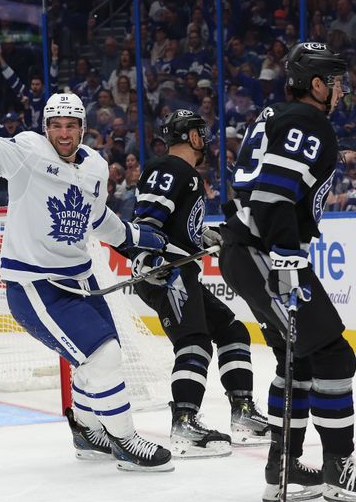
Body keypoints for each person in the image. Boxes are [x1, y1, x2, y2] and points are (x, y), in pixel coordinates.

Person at [0, 86, 173, 471]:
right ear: (45, 127)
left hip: (81, 282)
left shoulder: (95, 166)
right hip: (35, 287)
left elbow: (96, 219)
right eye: (56, 126)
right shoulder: (27, 151)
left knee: (98, 357)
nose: (63, 134)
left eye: (71, 126)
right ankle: (125, 439)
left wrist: (132, 237)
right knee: (103, 356)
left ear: (83, 128)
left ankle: (87, 430)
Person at [220, 42, 356, 501]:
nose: (342, 90)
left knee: (302, 359)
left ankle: (280, 470)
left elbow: (256, 191)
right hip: (269, 255)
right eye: (337, 81)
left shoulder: (274, 115)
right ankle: (336, 468)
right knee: (333, 355)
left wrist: (239, 232)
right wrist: (286, 257)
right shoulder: (308, 121)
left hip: (251, 251)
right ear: (317, 84)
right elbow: (272, 197)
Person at [130, 109, 269, 459]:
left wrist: (202, 237)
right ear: (190, 137)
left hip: (179, 271)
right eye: (199, 132)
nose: (204, 138)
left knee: (232, 330)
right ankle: (184, 423)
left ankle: (243, 413)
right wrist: (149, 257)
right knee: (194, 341)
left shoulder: (185, 174)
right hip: (167, 274)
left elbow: (179, 226)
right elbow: (148, 216)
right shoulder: (169, 167)